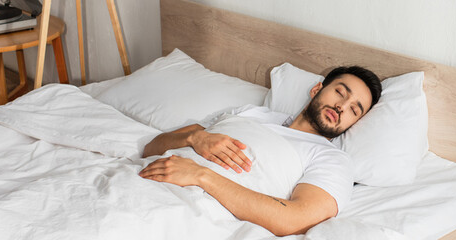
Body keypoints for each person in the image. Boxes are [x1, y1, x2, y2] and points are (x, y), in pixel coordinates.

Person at [138, 66, 382, 236]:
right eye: (340, 92)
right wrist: (195, 137)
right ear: (317, 89)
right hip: (145, 179)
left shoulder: (333, 160)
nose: (341, 107)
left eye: (354, 110)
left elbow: (295, 220)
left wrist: (201, 176)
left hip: (190, 211)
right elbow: (151, 147)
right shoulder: (251, 113)